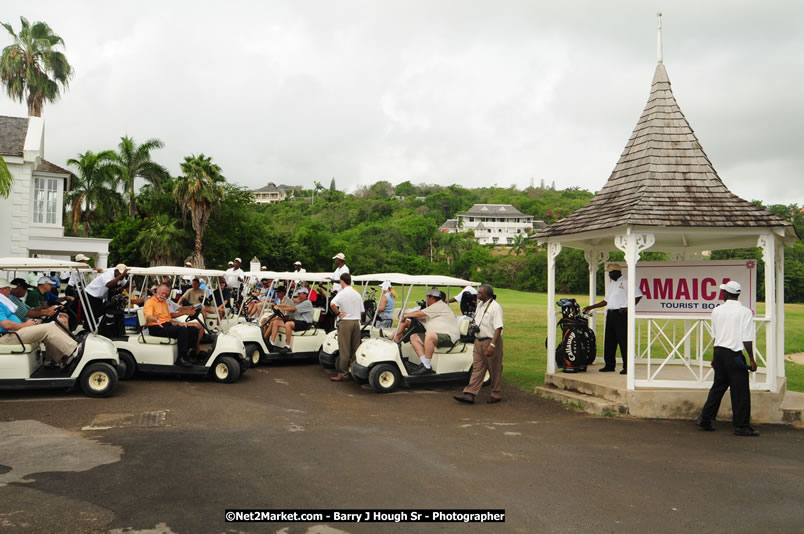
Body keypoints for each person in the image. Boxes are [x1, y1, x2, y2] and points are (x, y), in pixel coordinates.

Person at [696, 281, 759, 436]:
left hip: (719, 352)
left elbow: (716, 335)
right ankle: (741, 426)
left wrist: (714, 357)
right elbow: (747, 339)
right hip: (734, 354)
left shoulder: (717, 311)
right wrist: (751, 358)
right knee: (740, 391)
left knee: (718, 386)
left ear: (725, 294)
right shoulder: (745, 312)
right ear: (737, 294)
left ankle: (705, 418)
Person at [0, 279, 78, 367]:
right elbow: (6, 324)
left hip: (14, 332)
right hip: (8, 336)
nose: (10, 291)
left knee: (47, 330)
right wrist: (25, 325)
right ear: (2, 290)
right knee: (49, 328)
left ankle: (58, 359)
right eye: (8, 288)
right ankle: (73, 350)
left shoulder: (4, 302)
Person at [583, 263, 643, 375]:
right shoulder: (612, 285)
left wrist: (628, 307)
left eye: (611, 273)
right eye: (609, 273)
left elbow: (638, 295)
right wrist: (591, 307)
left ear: (617, 272)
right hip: (610, 314)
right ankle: (609, 365)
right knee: (609, 340)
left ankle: (627, 367)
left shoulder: (626, 282)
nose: (609, 275)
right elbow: (606, 301)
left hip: (621, 314)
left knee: (623, 341)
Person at [454, 284, 504, 404]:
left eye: (480, 292)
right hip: (479, 341)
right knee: (477, 368)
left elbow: (498, 328)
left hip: (490, 340)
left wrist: (492, 345)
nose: (478, 294)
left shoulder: (495, 308)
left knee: (494, 368)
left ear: (487, 294)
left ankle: (496, 394)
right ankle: (470, 393)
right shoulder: (480, 305)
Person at [398, 287, 460, 375]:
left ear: (432, 297)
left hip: (449, 337)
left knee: (429, 336)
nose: (426, 299)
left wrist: (405, 315)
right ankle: (425, 363)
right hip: (438, 336)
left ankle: (426, 366)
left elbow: (420, 313)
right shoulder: (432, 308)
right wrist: (408, 317)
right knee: (414, 337)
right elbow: (420, 316)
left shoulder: (439, 305)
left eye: (427, 297)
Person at [143, 284, 200, 367]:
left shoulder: (164, 303)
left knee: (193, 329)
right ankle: (180, 358)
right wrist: (155, 319)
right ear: (157, 290)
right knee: (182, 330)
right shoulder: (150, 302)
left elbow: (169, 320)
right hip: (156, 327)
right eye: (162, 293)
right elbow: (148, 316)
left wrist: (178, 323)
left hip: (166, 325)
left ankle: (186, 355)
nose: (164, 295)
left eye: (166, 294)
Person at [329, 273, 364, 382]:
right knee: (355, 348)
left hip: (346, 322)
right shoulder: (357, 294)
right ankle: (354, 371)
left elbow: (332, 304)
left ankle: (343, 373)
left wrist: (339, 313)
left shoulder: (342, 293)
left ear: (342, 281)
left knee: (344, 349)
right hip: (356, 322)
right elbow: (362, 311)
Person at [262, 286, 292, 352]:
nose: (277, 293)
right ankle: (266, 339)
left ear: (284, 293)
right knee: (265, 319)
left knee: (274, 322)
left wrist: (274, 319)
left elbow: (287, 317)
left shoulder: (288, 301)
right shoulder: (279, 301)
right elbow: (278, 313)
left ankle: (267, 340)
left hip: (288, 320)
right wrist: (270, 317)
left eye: (279, 292)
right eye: (276, 292)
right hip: (282, 319)